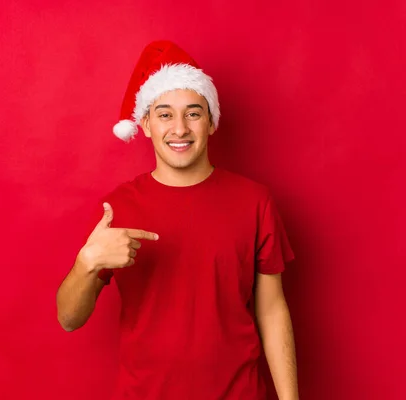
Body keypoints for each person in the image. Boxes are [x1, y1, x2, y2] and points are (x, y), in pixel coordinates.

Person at [56, 40, 299, 400]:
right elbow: (69, 319)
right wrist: (86, 264)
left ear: (212, 122)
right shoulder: (117, 208)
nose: (180, 128)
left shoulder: (255, 201)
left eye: (194, 113)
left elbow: (272, 308)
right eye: (165, 114)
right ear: (147, 124)